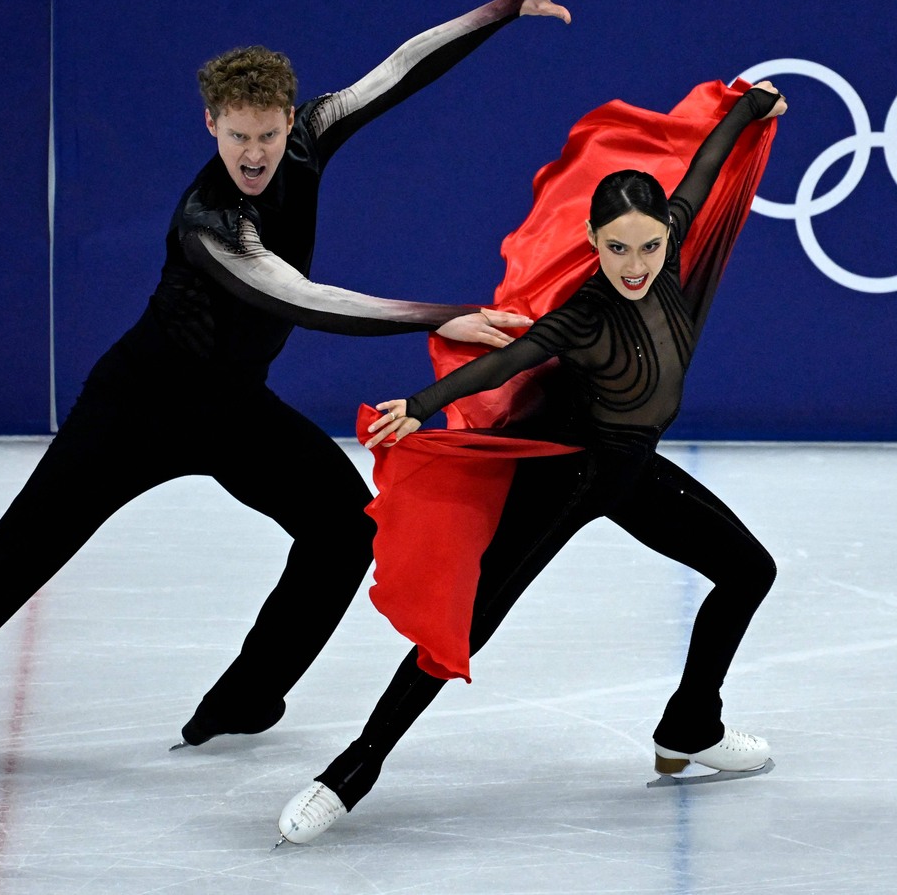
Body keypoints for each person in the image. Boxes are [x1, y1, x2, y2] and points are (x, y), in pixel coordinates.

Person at [0, 0, 588, 765]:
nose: (253, 153)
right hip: (134, 408)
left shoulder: (310, 141)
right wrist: (451, 315)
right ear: (210, 126)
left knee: (342, 525)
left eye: (266, 133)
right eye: (236, 136)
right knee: (14, 560)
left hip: (230, 407)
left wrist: (506, 6)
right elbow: (299, 296)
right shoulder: (208, 220)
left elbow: (397, 69)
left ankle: (246, 695)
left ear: (291, 120)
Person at [274, 78, 787, 843]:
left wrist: (748, 107)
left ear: (667, 234)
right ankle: (349, 771)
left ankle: (690, 725)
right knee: (464, 630)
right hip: (565, 476)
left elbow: (704, 169)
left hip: (630, 472)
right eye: (616, 248)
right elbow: (508, 359)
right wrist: (419, 403)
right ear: (594, 241)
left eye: (648, 245)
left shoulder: (672, 245)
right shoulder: (583, 314)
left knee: (749, 569)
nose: (635, 263)